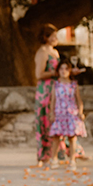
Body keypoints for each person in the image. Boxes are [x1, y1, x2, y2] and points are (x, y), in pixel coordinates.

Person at [49, 60, 87, 171]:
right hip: (59, 112)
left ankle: (72, 160)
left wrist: (80, 112)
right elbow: (53, 101)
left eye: (66, 69)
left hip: (71, 113)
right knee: (56, 137)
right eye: (61, 69)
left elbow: (78, 100)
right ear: (58, 71)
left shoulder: (73, 85)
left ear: (70, 71)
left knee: (72, 137)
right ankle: (54, 159)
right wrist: (52, 113)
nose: (64, 71)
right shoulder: (56, 84)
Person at [34, 23, 60, 166]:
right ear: (46, 37)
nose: (56, 38)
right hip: (45, 91)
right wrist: (54, 73)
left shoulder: (55, 52)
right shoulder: (43, 52)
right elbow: (39, 74)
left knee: (58, 120)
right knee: (44, 121)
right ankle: (43, 154)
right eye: (53, 35)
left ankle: (58, 153)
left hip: (56, 89)